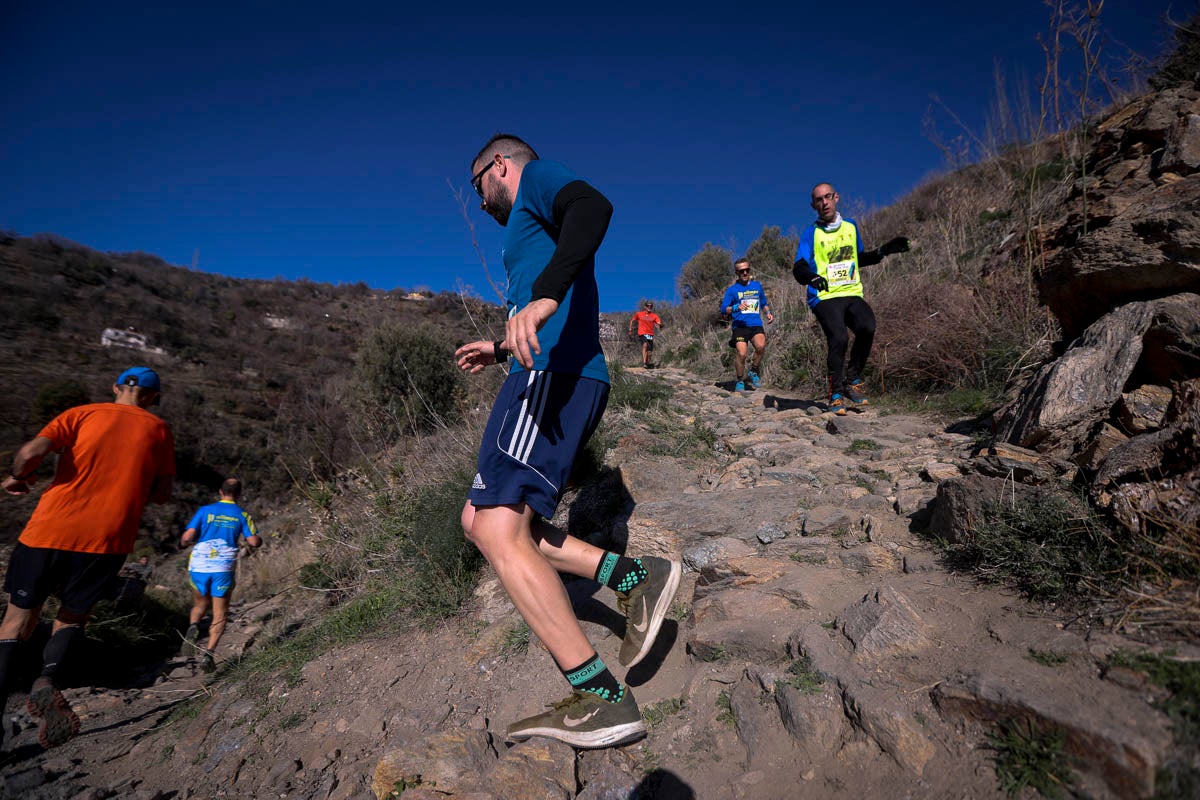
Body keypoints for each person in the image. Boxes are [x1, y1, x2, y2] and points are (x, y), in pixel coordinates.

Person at [454, 134, 681, 750]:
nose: (480, 202)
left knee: (501, 529)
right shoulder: (525, 231)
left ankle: (601, 698)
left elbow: (594, 207)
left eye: (478, 186)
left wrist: (545, 297)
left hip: (554, 376)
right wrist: (500, 344)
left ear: (498, 166)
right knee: (480, 521)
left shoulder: (540, 180)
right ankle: (635, 577)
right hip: (540, 371)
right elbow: (544, 299)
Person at [0, 367, 175, 748]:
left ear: (116, 388)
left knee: (16, 621)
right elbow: (162, 494)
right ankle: (46, 679)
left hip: (48, 531)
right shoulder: (158, 430)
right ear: (151, 397)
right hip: (107, 540)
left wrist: (20, 477)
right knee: (72, 618)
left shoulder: (81, 414)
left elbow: (31, 453)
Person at [793, 183, 909, 415]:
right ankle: (835, 394)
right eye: (819, 200)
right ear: (813, 205)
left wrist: (883, 251)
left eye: (828, 197)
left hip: (851, 292)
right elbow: (799, 267)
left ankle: (852, 379)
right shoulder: (811, 234)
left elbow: (858, 258)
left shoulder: (850, 227)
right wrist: (811, 277)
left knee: (867, 327)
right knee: (839, 337)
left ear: (836, 198)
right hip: (824, 296)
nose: (824, 202)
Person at [179, 478, 262, 673]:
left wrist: (183, 544)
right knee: (220, 613)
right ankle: (208, 654)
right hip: (223, 566)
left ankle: (193, 626)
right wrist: (257, 539)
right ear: (239, 494)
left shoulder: (204, 511)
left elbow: (187, 537)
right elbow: (254, 541)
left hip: (199, 564)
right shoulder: (242, 514)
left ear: (220, 492)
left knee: (200, 604)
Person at [719, 257, 774, 391]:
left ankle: (753, 371)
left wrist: (768, 313)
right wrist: (736, 307)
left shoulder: (757, 286)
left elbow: (763, 303)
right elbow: (723, 309)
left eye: (747, 270)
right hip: (740, 326)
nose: (744, 273)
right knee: (742, 354)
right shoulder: (732, 290)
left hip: (755, 324)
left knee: (761, 347)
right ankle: (739, 380)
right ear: (737, 273)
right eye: (741, 271)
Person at [628, 300, 664, 368]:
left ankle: (647, 363)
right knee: (645, 345)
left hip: (650, 334)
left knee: (650, 353)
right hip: (642, 333)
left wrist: (660, 325)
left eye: (651, 306)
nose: (649, 307)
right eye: (648, 305)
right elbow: (632, 321)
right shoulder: (639, 314)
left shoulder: (654, 316)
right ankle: (644, 363)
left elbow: (658, 323)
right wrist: (630, 330)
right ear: (645, 306)